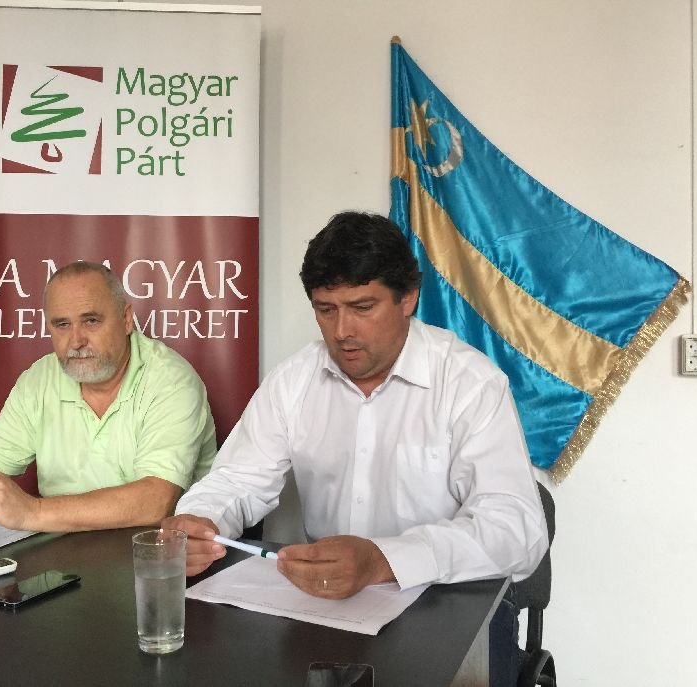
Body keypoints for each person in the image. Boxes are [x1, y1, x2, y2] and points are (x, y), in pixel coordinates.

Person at [163, 211, 547, 687]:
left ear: (408, 298)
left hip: (450, 606)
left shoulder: (470, 383)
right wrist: (202, 519)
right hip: (324, 606)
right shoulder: (294, 380)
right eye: (326, 309)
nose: (342, 330)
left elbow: (517, 531)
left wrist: (384, 560)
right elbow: (238, 478)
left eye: (362, 307)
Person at [0, 261, 216, 532]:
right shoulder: (40, 378)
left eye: (91, 321)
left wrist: (31, 511)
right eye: (62, 325)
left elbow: (155, 501)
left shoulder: (171, 380)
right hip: (62, 553)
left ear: (126, 319)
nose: (76, 341)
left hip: (155, 556)